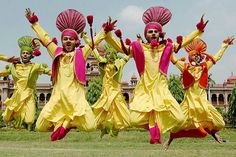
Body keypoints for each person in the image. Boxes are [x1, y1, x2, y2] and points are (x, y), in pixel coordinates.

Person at [104, 6, 208, 144]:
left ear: (160, 34)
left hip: (161, 90)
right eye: (150, 32)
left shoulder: (167, 47)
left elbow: (185, 41)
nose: (153, 33)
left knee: (179, 118)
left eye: (155, 32)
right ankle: (154, 129)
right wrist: (107, 33)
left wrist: (198, 30)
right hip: (145, 90)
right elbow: (118, 46)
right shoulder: (138, 47)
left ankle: (156, 129)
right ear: (146, 34)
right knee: (134, 119)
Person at [25, 8, 116, 141]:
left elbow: (93, 43)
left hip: (76, 99)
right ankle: (64, 123)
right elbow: (45, 39)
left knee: (90, 126)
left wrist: (105, 30)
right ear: (62, 41)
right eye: (65, 39)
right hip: (58, 98)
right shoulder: (56, 52)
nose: (68, 41)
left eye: (71, 39)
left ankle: (66, 123)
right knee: (40, 126)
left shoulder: (80, 54)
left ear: (75, 41)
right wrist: (34, 22)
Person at [163, 36, 234, 150]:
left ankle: (213, 133)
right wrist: (168, 46)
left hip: (203, 104)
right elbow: (173, 59)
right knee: (177, 124)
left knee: (220, 123)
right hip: (189, 104)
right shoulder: (185, 67)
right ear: (190, 57)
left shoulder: (204, 67)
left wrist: (224, 46)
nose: (196, 57)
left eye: (198, 55)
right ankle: (169, 140)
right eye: (194, 55)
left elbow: (216, 57)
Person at [83, 32, 130, 137]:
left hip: (115, 91)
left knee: (119, 112)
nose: (110, 56)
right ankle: (105, 128)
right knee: (105, 110)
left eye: (112, 54)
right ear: (106, 55)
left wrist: (138, 45)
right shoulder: (103, 63)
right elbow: (94, 51)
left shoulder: (119, 63)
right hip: (106, 91)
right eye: (108, 54)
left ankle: (115, 129)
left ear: (115, 55)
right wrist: (85, 38)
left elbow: (129, 55)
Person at [1, 35, 51, 130]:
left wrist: (59, 73)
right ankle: (16, 117)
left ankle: (19, 118)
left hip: (29, 95)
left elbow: (47, 71)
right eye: (23, 53)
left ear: (31, 55)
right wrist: (6, 59)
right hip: (17, 95)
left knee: (29, 120)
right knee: (6, 118)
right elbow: (2, 73)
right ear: (20, 55)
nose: (25, 54)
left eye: (27, 53)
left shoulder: (36, 66)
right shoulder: (13, 67)